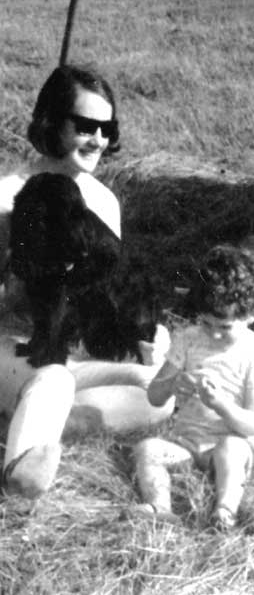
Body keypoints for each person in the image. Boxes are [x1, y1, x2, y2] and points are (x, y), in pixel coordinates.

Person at [0, 64, 167, 499]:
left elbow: (101, 300)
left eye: (106, 129)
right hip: (12, 347)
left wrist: (144, 334)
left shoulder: (103, 202)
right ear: (52, 122)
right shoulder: (6, 196)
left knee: (160, 390)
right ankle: (21, 480)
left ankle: (46, 422)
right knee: (53, 380)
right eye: (85, 126)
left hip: (70, 354)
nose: (98, 140)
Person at [131, 244, 254, 529]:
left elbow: (252, 425)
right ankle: (160, 507)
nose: (214, 334)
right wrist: (173, 384)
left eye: (225, 327)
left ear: (252, 314)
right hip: (187, 446)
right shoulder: (188, 339)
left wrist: (220, 404)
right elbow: (154, 396)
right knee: (147, 448)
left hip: (229, 449)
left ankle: (225, 511)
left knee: (232, 448)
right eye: (207, 324)